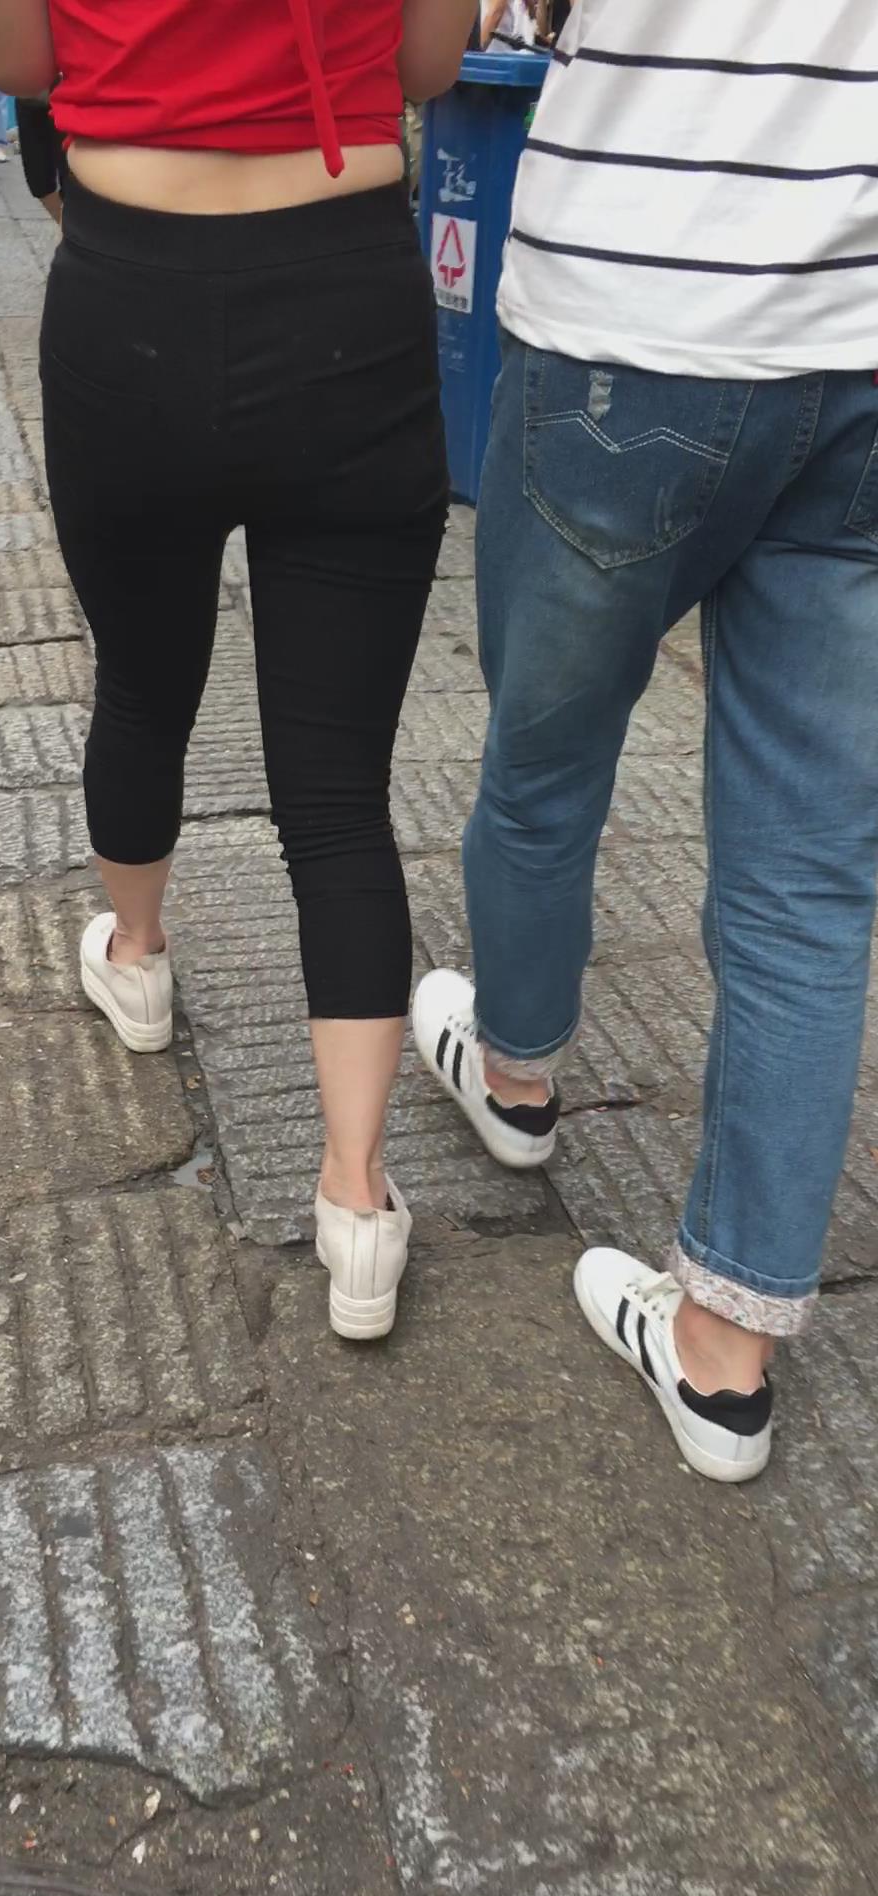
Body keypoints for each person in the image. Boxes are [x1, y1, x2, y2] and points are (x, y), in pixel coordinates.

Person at [0, 0, 473, 1343]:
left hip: (131, 288)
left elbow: (17, 62)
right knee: (337, 790)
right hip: (348, 286)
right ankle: (355, 1193)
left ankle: (137, 957)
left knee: (141, 689)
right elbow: (430, 66)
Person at [414, 0, 878, 1482]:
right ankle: (725, 1356)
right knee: (810, 879)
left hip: (637, 308)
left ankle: (518, 1080)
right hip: (863, 342)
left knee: (545, 765)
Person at [15, 89, 61, 224]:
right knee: (39, 183)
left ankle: (73, 231)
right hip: (30, 95)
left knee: (73, 180)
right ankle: (68, 229)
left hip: (72, 97)